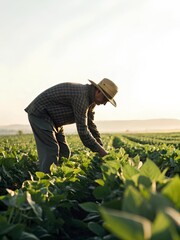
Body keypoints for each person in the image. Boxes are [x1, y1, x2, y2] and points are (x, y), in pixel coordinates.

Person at [25, 78, 118, 173]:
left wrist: (100, 146)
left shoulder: (91, 102)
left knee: (64, 151)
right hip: (40, 114)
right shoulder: (81, 96)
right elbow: (83, 132)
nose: (105, 103)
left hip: (55, 120)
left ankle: (56, 177)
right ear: (98, 91)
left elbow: (90, 124)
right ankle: (45, 181)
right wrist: (102, 152)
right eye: (105, 99)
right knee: (51, 150)